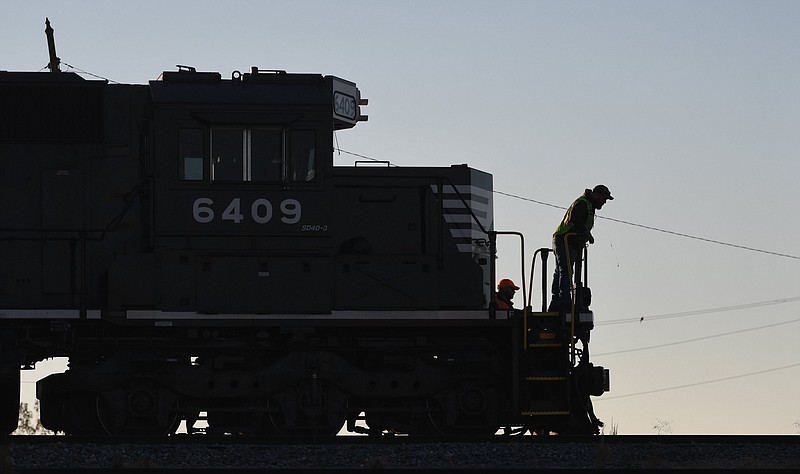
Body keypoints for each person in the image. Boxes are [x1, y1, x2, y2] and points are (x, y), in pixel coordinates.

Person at [549, 185, 613, 312]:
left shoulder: (589, 205)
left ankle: (556, 301)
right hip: (564, 239)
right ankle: (564, 301)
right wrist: (586, 234)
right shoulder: (582, 203)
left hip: (569, 241)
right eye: (603, 199)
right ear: (596, 195)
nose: (604, 202)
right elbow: (575, 220)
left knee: (562, 271)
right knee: (565, 270)